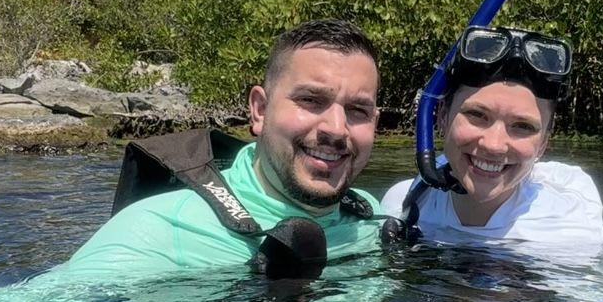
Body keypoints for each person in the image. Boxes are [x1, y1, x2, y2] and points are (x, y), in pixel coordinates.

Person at [64, 19, 384, 281]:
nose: (337, 129)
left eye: (358, 110)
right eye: (311, 101)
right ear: (259, 110)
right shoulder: (158, 230)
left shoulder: (371, 217)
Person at [382, 25, 603, 251]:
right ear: (442, 115)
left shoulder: (568, 235)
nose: (494, 145)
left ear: (543, 144)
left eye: (522, 126)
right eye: (477, 115)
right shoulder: (402, 203)